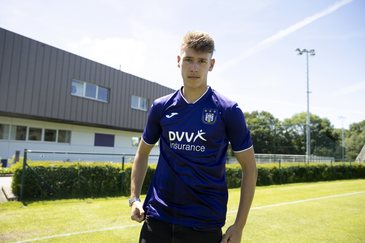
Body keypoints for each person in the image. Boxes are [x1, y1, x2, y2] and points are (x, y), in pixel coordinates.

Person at [130, 31, 257, 243]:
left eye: (201, 61)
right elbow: (142, 154)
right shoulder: (161, 107)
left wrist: (239, 226)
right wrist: (134, 198)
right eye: (189, 60)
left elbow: (250, 168)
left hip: (204, 224)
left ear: (212, 64)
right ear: (179, 61)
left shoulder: (228, 110)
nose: (194, 67)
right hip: (157, 220)